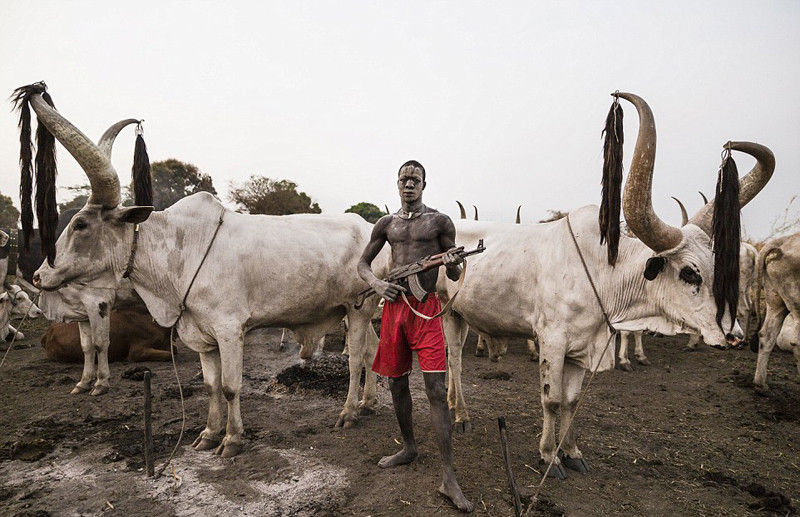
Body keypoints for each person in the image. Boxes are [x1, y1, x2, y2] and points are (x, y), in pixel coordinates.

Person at [357, 160, 473, 513]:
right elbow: (363, 264)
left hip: (426, 311)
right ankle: (408, 447)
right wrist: (378, 284)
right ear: (397, 184)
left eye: (415, 180)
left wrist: (452, 264)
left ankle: (449, 478)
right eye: (404, 179)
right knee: (396, 383)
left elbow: (455, 273)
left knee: (436, 389)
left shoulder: (440, 222)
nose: (409, 184)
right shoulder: (386, 224)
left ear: (424, 185)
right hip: (394, 310)